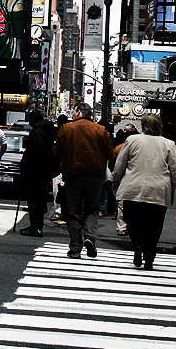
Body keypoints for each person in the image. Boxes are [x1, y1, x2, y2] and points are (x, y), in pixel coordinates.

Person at [111, 113, 176, 270]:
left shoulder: (132, 140)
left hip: (134, 187)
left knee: (132, 220)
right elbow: (174, 169)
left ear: (143, 126)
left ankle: (137, 245)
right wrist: (175, 186)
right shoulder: (168, 144)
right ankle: (149, 258)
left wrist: (116, 179)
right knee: (155, 225)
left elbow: (121, 162)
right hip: (158, 189)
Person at [53, 102, 115, 259]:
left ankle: (75, 247)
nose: (73, 115)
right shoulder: (101, 130)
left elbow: (56, 152)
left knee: (73, 211)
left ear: (79, 112)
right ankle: (89, 236)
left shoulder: (67, 128)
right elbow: (110, 154)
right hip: (95, 174)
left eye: (74, 112)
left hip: (72, 173)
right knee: (92, 209)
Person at [19, 110, 56, 237]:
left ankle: (35, 227)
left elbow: (35, 153)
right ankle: (36, 225)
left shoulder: (37, 133)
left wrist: (26, 166)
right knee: (39, 200)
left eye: (30, 118)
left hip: (36, 171)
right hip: (43, 171)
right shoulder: (46, 131)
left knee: (34, 200)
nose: (29, 120)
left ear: (34, 118)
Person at [113, 125, 140, 236]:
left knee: (122, 204)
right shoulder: (141, 148)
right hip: (138, 178)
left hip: (125, 179)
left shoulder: (120, 147)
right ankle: (134, 226)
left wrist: (115, 178)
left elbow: (117, 164)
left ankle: (122, 227)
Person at [49, 114, 71, 224]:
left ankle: (60, 212)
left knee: (57, 191)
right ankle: (64, 212)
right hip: (68, 166)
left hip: (61, 166)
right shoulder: (70, 132)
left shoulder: (59, 132)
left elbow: (56, 151)